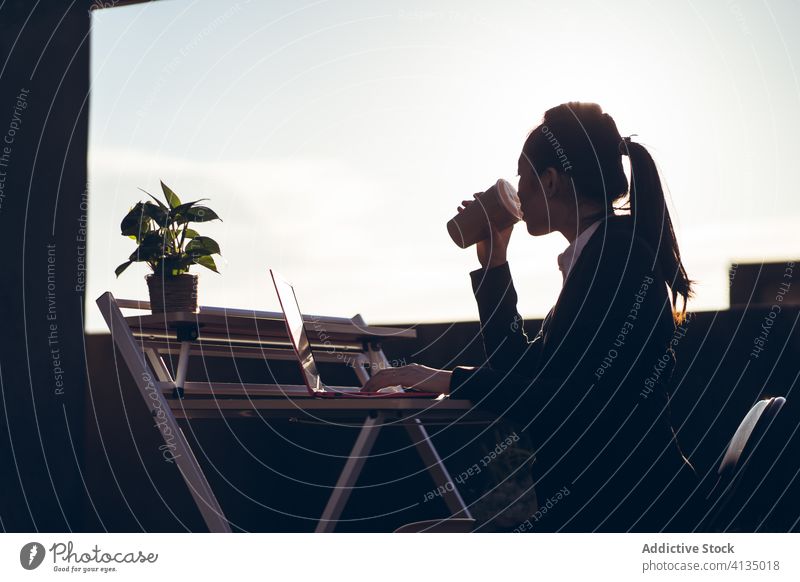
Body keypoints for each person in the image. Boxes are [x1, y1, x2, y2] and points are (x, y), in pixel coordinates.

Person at [362, 101, 698, 532]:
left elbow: (568, 403)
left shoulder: (616, 263)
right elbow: (520, 368)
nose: (516, 189)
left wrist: (443, 378)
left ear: (551, 182)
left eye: (522, 175)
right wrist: (494, 262)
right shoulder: (601, 256)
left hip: (622, 517)